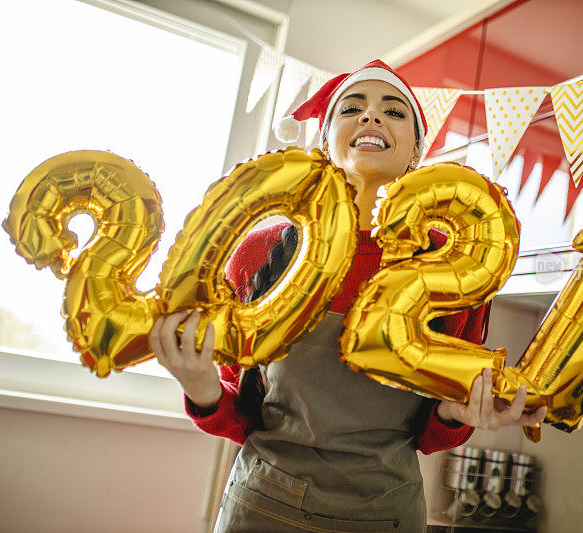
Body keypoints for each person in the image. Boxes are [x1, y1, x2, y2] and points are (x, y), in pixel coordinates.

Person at [149, 59, 546, 532]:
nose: (371, 117)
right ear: (324, 140)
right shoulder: (263, 251)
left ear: (417, 151)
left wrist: (457, 413)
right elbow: (241, 415)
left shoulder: (452, 263)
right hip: (265, 506)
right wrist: (200, 387)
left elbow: (431, 434)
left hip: (386, 513)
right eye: (352, 108)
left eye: (393, 111)